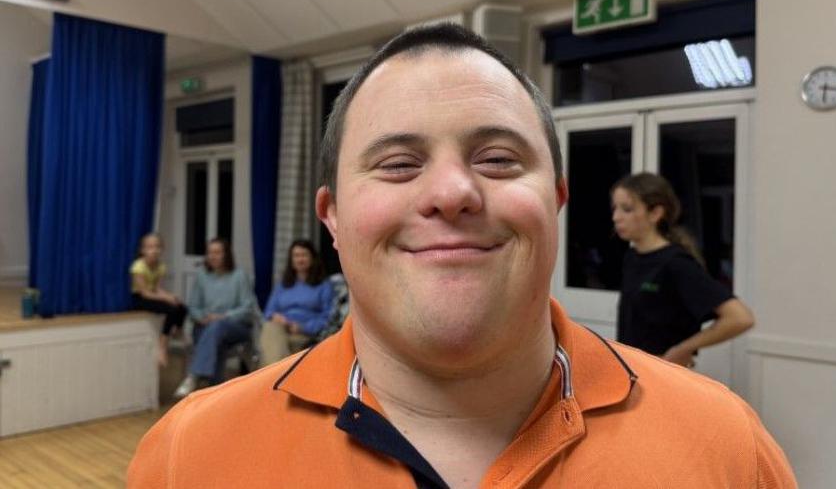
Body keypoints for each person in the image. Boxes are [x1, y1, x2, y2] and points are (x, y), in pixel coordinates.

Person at [129, 24, 796, 488]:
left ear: (556, 199)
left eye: (498, 159)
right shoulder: (191, 454)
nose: (452, 193)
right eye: (398, 163)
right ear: (332, 217)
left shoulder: (725, 446)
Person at [612, 173, 755, 368]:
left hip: (662, 374)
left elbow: (740, 318)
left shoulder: (676, 263)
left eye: (627, 209)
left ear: (655, 213)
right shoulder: (631, 257)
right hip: (631, 369)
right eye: (615, 208)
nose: (616, 217)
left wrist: (682, 349)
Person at [173, 237, 256, 399]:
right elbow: (193, 306)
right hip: (206, 326)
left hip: (235, 327)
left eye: (217, 252)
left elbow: (248, 308)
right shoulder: (202, 276)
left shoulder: (239, 275)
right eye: (210, 253)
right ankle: (215, 392)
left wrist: (223, 316)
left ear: (226, 254)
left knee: (217, 327)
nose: (213, 256)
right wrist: (202, 317)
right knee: (216, 340)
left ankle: (194, 376)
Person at [258, 239, 335, 366]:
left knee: (270, 345)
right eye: (296, 256)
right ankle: (281, 373)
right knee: (271, 328)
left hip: (304, 334)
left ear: (312, 258)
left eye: (304, 255)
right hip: (281, 328)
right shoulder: (282, 285)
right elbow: (268, 312)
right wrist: (276, 317)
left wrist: (301, 327)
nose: (300, 259)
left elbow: (328, 318)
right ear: (291, 260)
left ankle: (276, 373)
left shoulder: (324, 285)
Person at [129, 233, 187, 368]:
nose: (154, 250)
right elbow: (145, 293)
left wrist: (171, 296)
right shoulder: (138, 266)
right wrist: (166, 298)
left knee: (181, 307)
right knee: (171, 309)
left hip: (153, 295)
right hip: (140, 298)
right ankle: (163, 347)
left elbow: (157, 289)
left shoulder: (161, 266)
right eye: (150, 247)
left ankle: (177, 331)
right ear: (143, 250)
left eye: (157, 247)